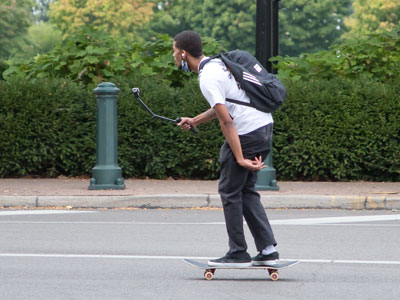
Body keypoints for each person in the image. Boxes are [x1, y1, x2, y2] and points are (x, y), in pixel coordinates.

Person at [173, 30, 278, 268]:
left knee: (229, 191)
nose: (174, 57)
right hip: (263, 127)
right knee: (246, 190)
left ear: (183, 53)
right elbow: (227, 104)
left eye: (174, 52)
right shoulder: (219, 65)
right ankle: (268, 249)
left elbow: (227, 120)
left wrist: (240, 158)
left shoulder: (207, 77)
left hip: (247, 132)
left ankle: (238, 252)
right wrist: (195, 120)